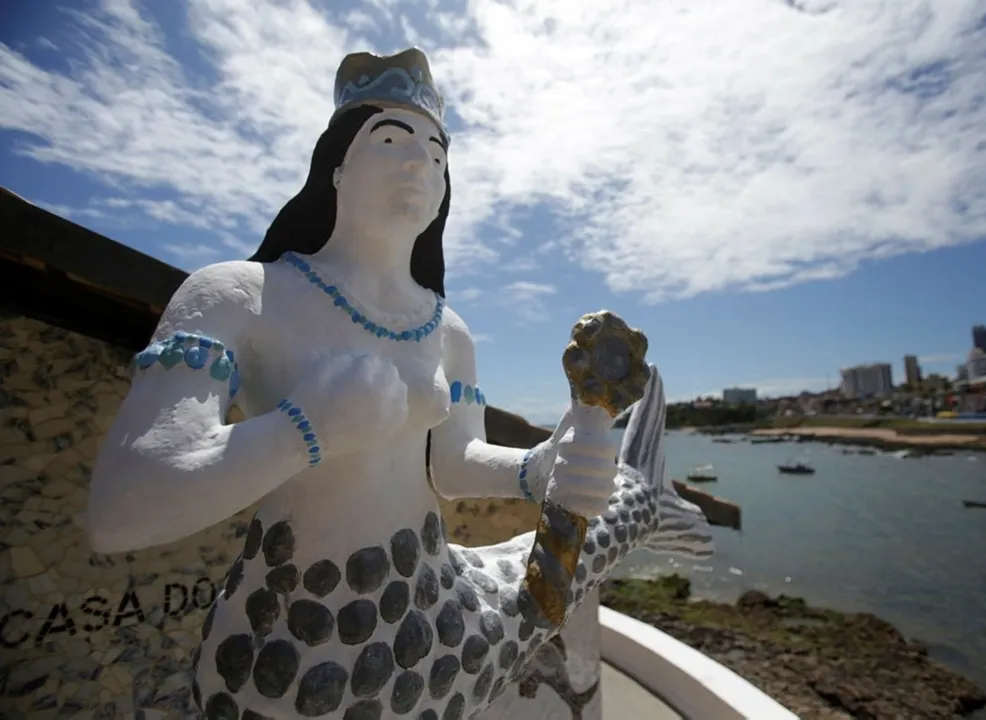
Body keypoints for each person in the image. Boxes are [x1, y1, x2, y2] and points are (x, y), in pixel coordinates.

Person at [87, 48, 712, 720]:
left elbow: (453, 464)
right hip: (281, 637)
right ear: (335, 167)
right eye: (391, 140)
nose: (421, 163)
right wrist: (306, 429)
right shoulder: (236, 295)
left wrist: (537, 469)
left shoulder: (449, 331)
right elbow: (122, 508)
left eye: (439, 155)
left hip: (436, 624)